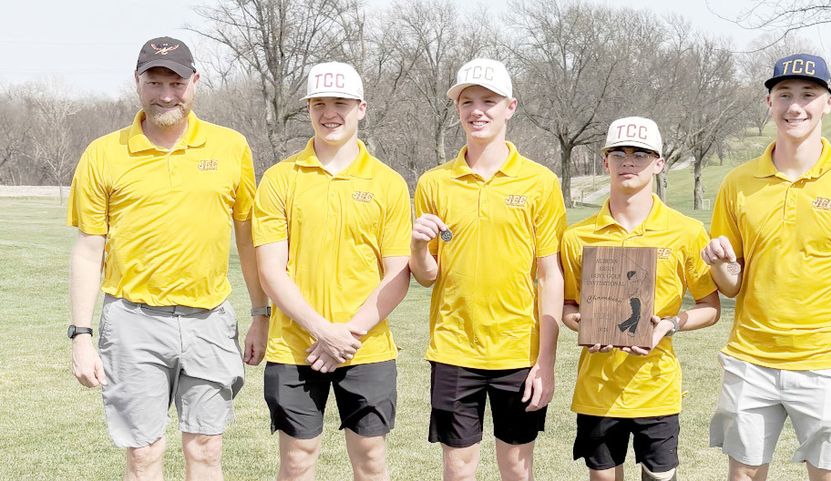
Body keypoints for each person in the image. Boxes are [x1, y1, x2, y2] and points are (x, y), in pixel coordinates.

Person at [67, 36, 266, 481]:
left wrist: (260, 313)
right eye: (154, 82)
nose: (165, 94)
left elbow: (249, 238)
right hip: (133, 321)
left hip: (209, 319)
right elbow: (87, 250)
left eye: (175, 81)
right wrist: (81, 335)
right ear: (137, 83)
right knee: (142, 454)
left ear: (194, 81)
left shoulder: (230, 147)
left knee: (207, 449)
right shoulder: (103, 153)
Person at [702, 53, 831, 481]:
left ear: (830, 102)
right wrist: (719, 266)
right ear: (769, 103)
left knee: (828, 475)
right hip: (750, 359)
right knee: (744, 474)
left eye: (809, 94)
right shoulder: (738, 183)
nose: (795, 106)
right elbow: (732, 285)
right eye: (784, 94)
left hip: (825, 361)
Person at [250, 61, 411, 481]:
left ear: (361, 108)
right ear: (307, 109)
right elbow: (270, 270)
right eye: (319, 103)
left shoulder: (388, 182)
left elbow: (397, 273)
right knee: (298, 460)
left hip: (367, 347)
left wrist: (347, 335)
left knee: (371, 459)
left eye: (340, 102)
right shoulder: (279, 178)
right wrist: (322, 331)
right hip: (295, 346)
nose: (329, 112)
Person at [409, 58, 566, 481]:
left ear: (510, 107)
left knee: (517, 468)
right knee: (458, 469)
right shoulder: (434, 183)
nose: (477, 110)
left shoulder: (540, 182)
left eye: (488, 100)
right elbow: (426, 275)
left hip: (518, 350)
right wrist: (418, 245)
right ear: (457, 109)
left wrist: (545, 361)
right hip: (454, 348)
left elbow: (550, 274)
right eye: (467, 101)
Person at [560, 116, 721, 481]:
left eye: (640, 153)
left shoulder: (686, 231)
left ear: (659, 162)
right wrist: (584, 325)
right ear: (605, 161)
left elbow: (710, 308)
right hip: (597, 390)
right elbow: (568, 306)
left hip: (657, 388)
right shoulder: (576, 236)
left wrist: (669, 325)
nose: (628, 161)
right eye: (618, 153)